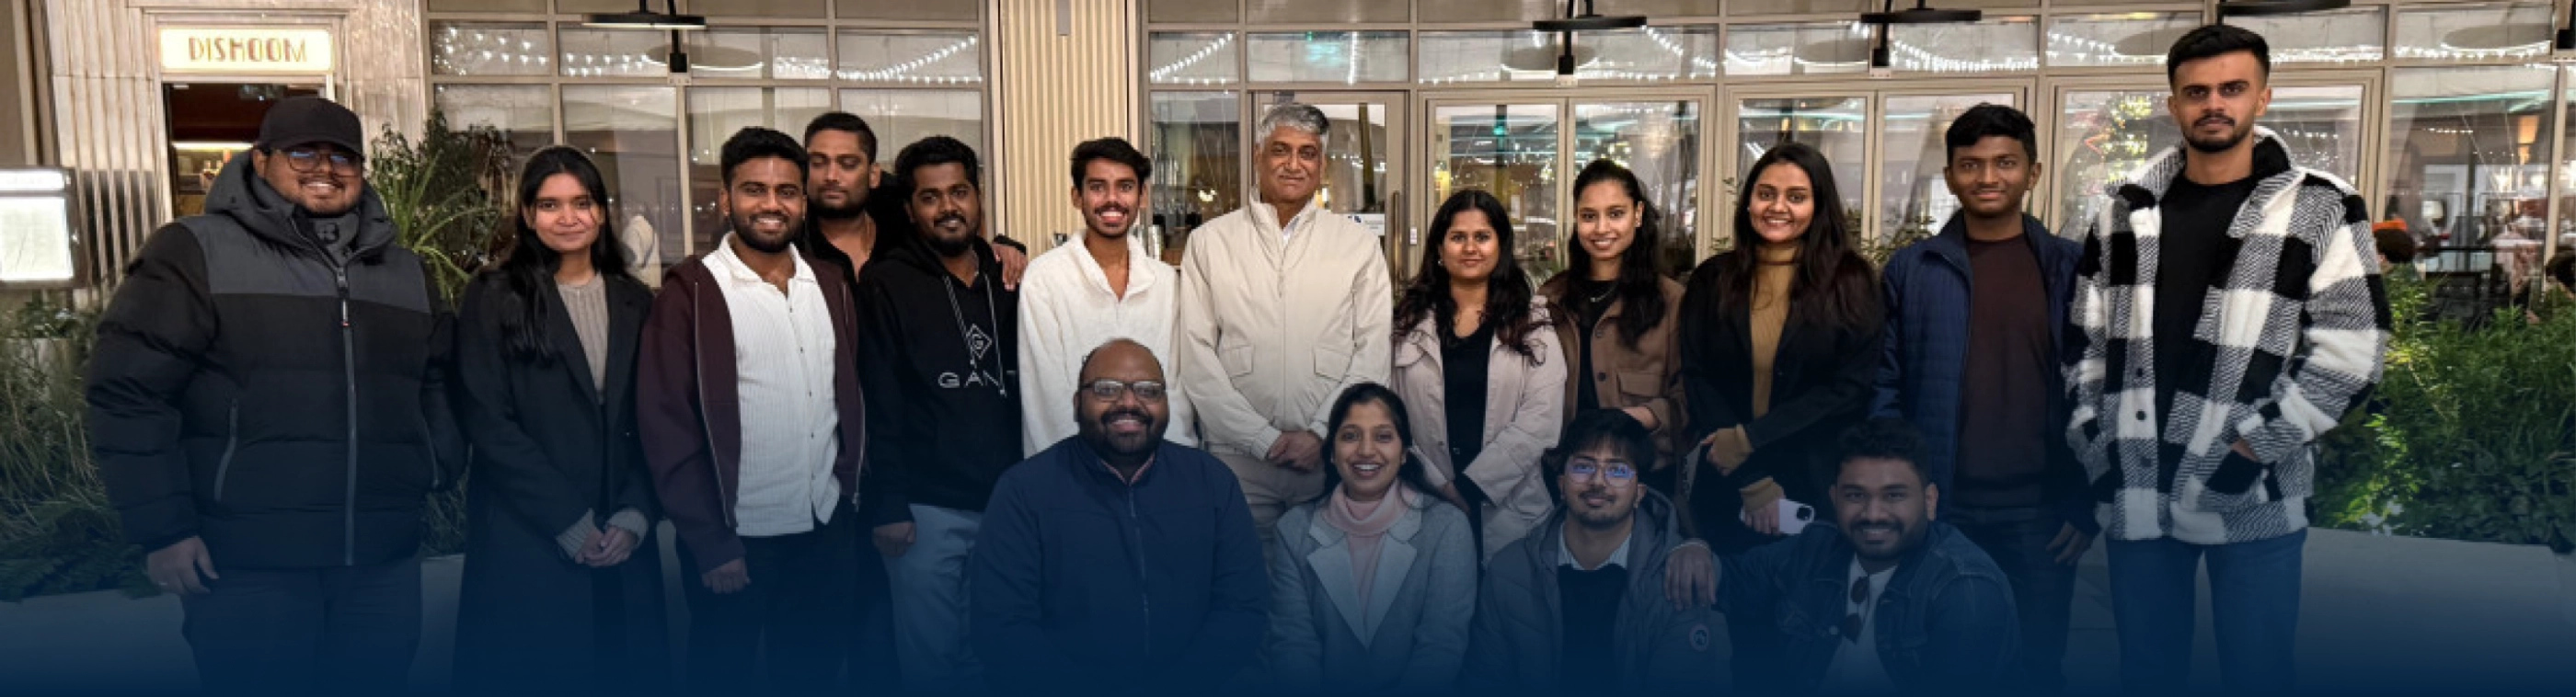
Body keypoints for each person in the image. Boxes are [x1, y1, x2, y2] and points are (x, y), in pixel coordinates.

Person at [87, 95, 464, 693]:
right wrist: (164, 530)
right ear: (261, 160)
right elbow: (129, 394)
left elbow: (437, 379)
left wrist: (436, 463)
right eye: (303, 152)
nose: (326, 168)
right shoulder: (193, 250)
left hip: (380, 555)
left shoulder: (405, 270)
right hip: (246, 559)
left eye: (343, 156)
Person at [2065, 25, 2391, 695]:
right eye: (2197, 92)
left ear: (2262, 98)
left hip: (2254, 489)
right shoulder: (2125, 210)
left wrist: (2250, 451)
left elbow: (2353, 352)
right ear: (2174, 104)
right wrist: (2096, 444)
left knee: (2259, 674)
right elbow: (2085, 343)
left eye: (2232, 88)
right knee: (2147, 676)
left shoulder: (2321, 206)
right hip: (2137, 487)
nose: (2214, 103)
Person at [1870, 104, 2096, 693]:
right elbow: (1885, 386)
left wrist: (2085, 498)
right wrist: (1898, 491)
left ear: (2033, 172)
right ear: (1950, 176)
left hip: (2042, 513)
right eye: (1971, 164)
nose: (1988, 177)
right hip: (1942, 507)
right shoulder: (1913, 269)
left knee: (2038, 667)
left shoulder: (2072, 268)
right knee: (1935, 665)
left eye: (2005, 163)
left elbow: (2101, 387)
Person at [638, 126, 868, 694]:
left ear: (804, 200)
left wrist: (846, 491)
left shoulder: (830, 284)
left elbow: (848, 398)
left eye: (786, 191)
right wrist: (710, 543)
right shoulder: (692, 291)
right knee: (722, 676)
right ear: (726, 199)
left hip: (823, 528)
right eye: (754, 190)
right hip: (737, 539)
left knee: (813, 678)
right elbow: (667, 426)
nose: (771, 204)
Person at [450, 146, 669, 693]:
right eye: (550, 205)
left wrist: (636, 514)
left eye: (581, 202)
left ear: (601, 212)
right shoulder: (493, 296)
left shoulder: (637, 301)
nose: (568, 217)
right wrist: (569, 522)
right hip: (530, 537)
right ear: (528, 215)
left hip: (622, 539)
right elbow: (487, 419)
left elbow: (658, 419)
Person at [1673, 140, 1885, 691]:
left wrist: (1751, 438)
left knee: (1812, 637)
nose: (1778, 207)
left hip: (1815, 486)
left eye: (1796, 196)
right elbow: (1697, 377)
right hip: (1729, 486)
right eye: (1766, 193)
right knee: (1742, 644)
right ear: (1748, 201)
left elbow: (1849, 390)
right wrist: (1750, 478)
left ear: (1819, 205)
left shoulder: (1852, 281)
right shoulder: (1713, 279)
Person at [971, 338, 1269, 694]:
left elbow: (1242, 606)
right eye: (1106, 389)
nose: (1128, 402)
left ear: (1166, 403)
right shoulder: (1024, 490)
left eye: (1148, 390)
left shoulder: (1212, 482)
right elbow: (1002, 624)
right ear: (1077, 403)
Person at [1178, 102, 1394, 545]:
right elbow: (1196, 357)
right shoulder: (1210, 243)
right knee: (1243, 576)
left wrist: (1321, 433)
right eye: (1281, 150)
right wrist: (1262, 440)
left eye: (1307, 153)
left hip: (1327, 459)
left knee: (1326, 575)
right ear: (1258, 155)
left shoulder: (1357, 245)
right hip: (1237, 460)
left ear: (1322, 165)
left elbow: (1373, 352)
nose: (1294, 164)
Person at [855, 135, 1026, 692]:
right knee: (931, 662)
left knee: (994, 650)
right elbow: (877, 396)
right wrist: (887, 503)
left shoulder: (1009, 276)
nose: (948, 207)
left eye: (959, 192)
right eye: (930, 197)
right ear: (910, 209)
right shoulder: (886, 282)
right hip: (925, 508)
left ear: (978, 198)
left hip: (1006, 503)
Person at [1715, 418, 2020, 695]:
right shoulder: (1814, 548)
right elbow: (1724, 578)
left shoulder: (1966, 588)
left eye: (1894, 495)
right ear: (1834, 498)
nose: (1873, 514)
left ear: (1930, 501)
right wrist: (1694, 550)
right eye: (1856, 495)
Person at [1459, 409, 1722, 692]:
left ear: (1639, 493)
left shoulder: (1678, 574)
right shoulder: (1508, 571)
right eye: (1584, 467)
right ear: (1562, 485)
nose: (1598, 481)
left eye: (1617, 470)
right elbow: (1485, 681)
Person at [1387, 189, 1566, 561]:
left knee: (1508, 593)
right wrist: (1440, 487)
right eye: (1458, 237)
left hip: (1512, 506)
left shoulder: (1534, 322)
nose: (1470, 248)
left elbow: (1542, 418)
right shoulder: (1406, 323)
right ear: (1439, 248)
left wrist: (1471, 487)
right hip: (1426, 497)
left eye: (1482, 236)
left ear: (1500, 246)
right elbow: (1390, 414)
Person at [1264, 383, 1478, 693]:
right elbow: (1293, 645)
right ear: (1332, 453)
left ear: (1404, 454)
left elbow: (1441, 646)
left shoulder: (1447, 527)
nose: (1366, 450)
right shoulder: (1293, 529)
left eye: (1383, 437)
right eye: (1350, 436)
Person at [1019, 137, 1197, 455]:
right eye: (1098, 187)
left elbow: (1173, 387)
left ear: (1142, 196)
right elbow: (1046, 394)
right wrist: (1072, 472)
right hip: (1072, 468)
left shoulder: (1165, 282)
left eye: (1125, 187)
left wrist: (1175, 461)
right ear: (1077, 196)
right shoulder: (1045, 278)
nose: (1112, 199)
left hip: (1156, 465)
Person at [1536, 160, 1686, 475]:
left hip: (1642, 472)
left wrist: (1635, 418)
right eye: (1589, 216)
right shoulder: (1551, 298)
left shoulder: (1672, 301)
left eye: (1615, 214)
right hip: (1562, 471)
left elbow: (1689, 398)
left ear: (1638, 214)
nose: (1602, 228)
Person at [799, 111, 1029, 291]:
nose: (831, 176)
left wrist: (999, 250)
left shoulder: (900, 216)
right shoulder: (792, 240)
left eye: (848, 164)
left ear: (873, 175)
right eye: (818, 163)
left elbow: (953, 232)